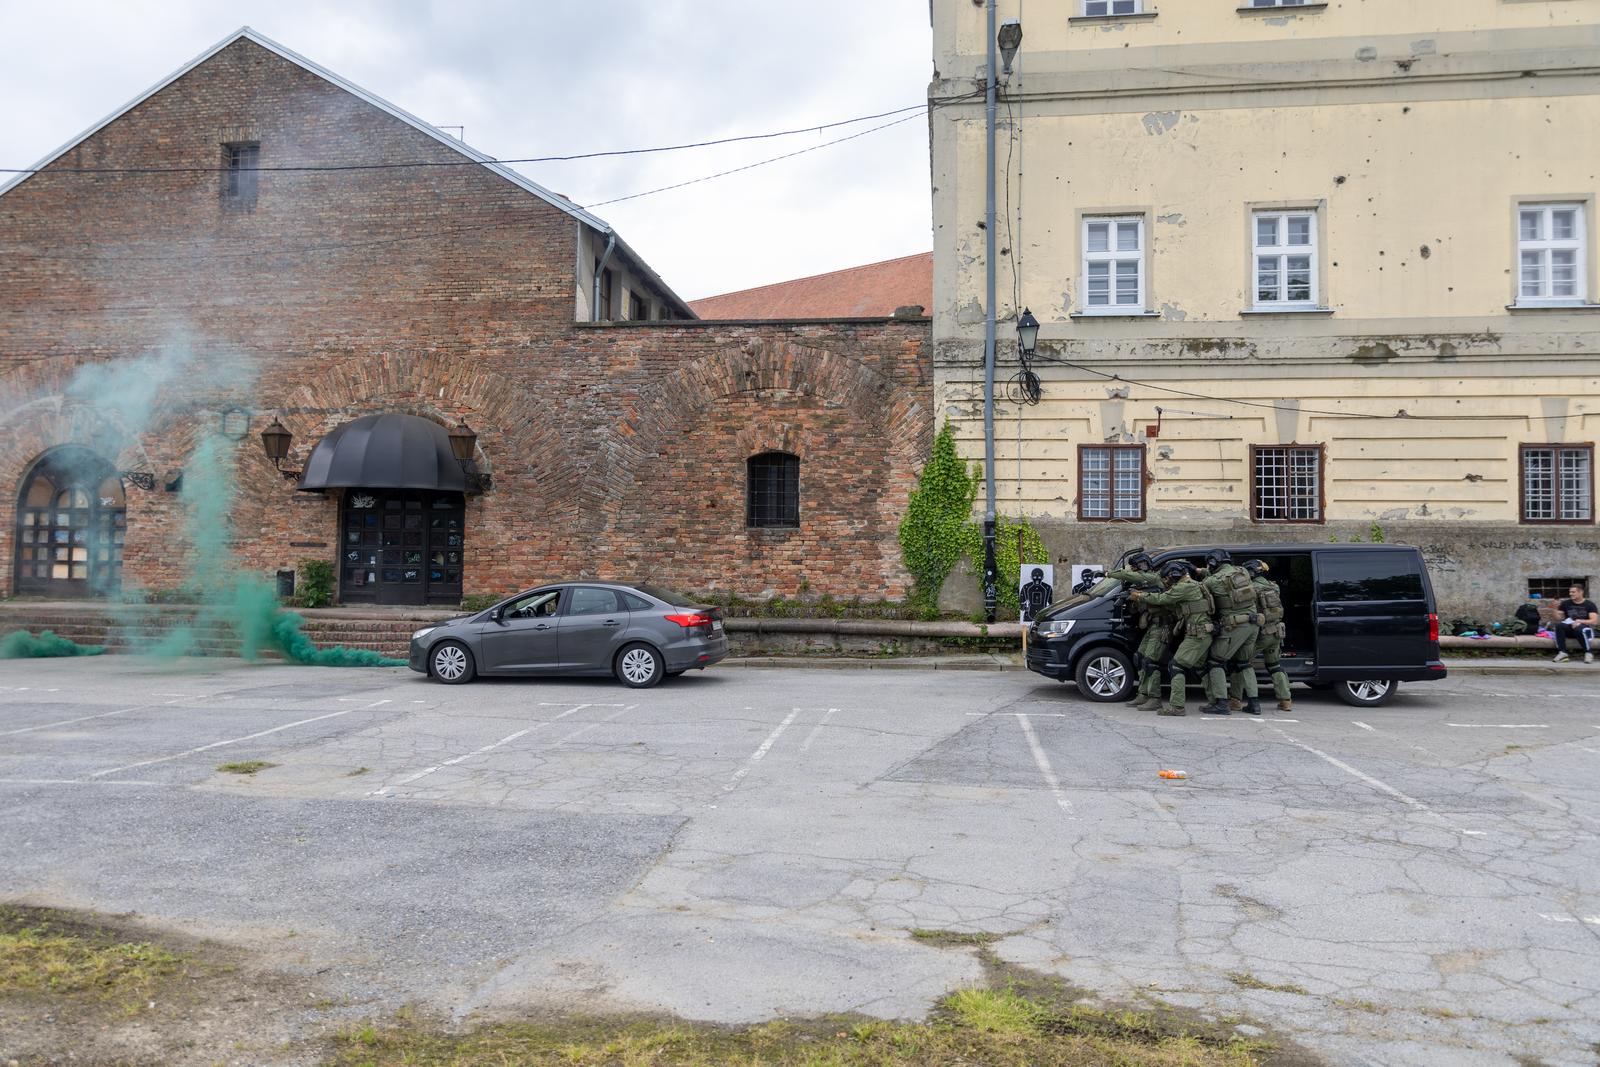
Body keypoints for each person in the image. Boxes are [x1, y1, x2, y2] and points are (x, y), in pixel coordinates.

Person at [1130, 560, 1215, 717]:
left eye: (1167, 578)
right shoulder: (1193, 584)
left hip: (1198, 634)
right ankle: (1217, 701)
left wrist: (1140, 595)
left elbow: (1163, 599)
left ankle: (1177, 706)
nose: (1166, 582)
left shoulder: (1184, 587)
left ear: (1174, 576)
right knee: (1202, 668)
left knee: (1176, 666)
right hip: (1201, 633)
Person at [1200, 548, 1261, 716]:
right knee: (1244, 663)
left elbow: (1201, 590)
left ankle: (1220, 703)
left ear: (1213, 562)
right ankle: (1254, 704)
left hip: (1234, 626)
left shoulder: (1211, 581)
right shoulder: (1243, 572)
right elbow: (1225, 577)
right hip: (1253, 624)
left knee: (1215, 662)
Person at [1108, 552, 1169, 709]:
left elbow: (1131, 577)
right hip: (1152, 626)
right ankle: (1143, 694)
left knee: (1150, 661)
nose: (1133, 571)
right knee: (1140, 658)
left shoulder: (1153, 579)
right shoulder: (1145, 584)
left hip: (1162, 626)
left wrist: (1107, 573)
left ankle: (1154, 698)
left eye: (1135, 568)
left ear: (1142, 565)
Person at [1233, 559, 1292, 712]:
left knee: (1241, 663)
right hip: (1277, 632)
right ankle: (1285, 700)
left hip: (1262, 633)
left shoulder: (1252, 589)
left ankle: (1235, 699)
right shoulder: (1274, 586)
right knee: (1274, 666)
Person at [1552, 583, 1598, 663]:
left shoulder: (1589, 605)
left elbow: (1594, 621)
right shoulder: (1566, 603)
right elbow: (1558, 618)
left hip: (1584, 630)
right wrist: (1554, 609)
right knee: (1559, 626)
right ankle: (1563, 653)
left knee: (1578, 628)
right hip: (1570, 629)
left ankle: (1588, 652)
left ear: (1581, 592)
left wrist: (1580, 621)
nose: (1570, 594)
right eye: (1570, 592)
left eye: (1573, 592)